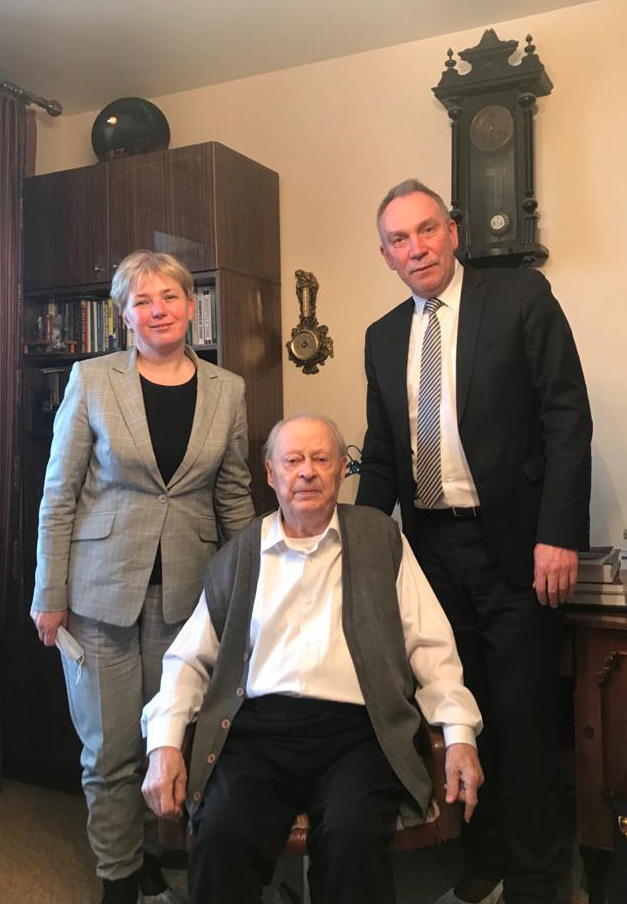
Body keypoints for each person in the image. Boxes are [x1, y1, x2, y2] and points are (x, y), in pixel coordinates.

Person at [355, 179, 593, 904]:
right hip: (429, 553)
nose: (416, 248)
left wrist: (558, 535)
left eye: (427, 230)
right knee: (461, 715)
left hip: (517, 548)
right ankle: (483, 864)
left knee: (524, 722)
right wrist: (358, 553)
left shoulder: (520, 296)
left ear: (453, 233)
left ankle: (539, 882)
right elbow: (382, 454)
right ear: (386, 255)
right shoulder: (381, 336)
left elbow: (566, 418)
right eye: (399, 239)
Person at [141, 414, 484, 904]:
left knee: (350, 836)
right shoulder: (241, 554)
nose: (307, 472)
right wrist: (165, 744)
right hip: (255, 735)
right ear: (271, 473)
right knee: (221, 832)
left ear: (342, 470)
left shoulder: (380, 539)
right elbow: (188, 661)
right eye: (293, 460)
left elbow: (431, 648)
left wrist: (459, 735)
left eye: (321, 459)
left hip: (359, 735)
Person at [30, 250, 255, 904]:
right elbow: (58, 495)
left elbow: (233, 496)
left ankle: (154, 854)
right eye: (142, 301)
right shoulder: (92, 379)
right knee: (109, 751)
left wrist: (252, 592)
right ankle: (119, 877)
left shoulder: (228, 390)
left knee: (171, 737)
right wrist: (48, 594)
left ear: (191, 306)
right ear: (124, 316)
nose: (158, 311)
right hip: (96, 595)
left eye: (170, 297)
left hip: (188, 595)